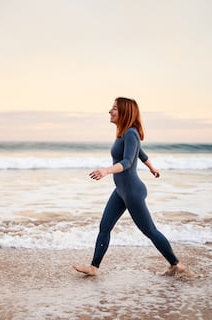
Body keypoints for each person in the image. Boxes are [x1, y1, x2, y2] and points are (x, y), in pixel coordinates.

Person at [73, 97, 187, 276]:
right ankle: (94, 268)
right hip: (121, 191)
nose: (110, 111)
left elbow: (127, 162)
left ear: (125, 112)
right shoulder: (124, 134)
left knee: (149, 231)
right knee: (104, 226)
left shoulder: (131, 133)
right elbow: (140, 154)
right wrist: (152, 168)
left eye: (114, 108)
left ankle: (176, 264)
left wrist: (106, 171)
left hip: (133, 191)